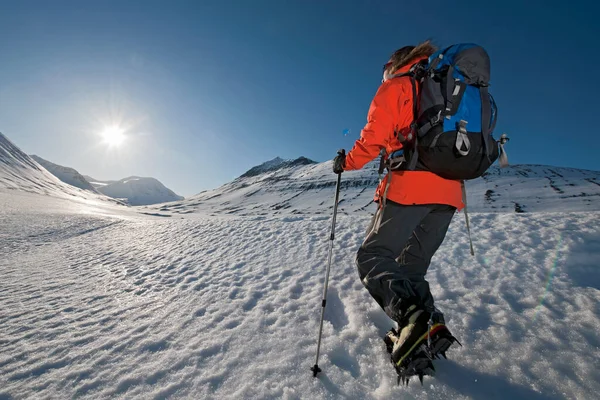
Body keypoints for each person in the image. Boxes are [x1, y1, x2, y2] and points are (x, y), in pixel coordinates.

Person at [333, 41, 462, 369]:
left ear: (395, 63)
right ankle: (431, 324)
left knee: (372, 256)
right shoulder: (449, 92)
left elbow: (373, 139)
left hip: (409, 186)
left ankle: (410, 318)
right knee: (412, 267)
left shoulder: (397, 86)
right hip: (449, 194)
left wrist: (344, 163)